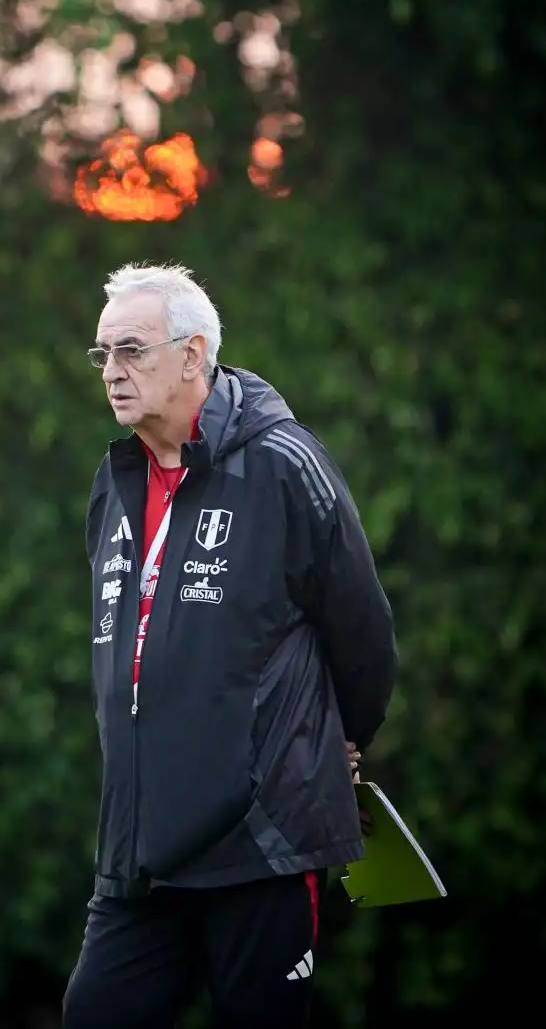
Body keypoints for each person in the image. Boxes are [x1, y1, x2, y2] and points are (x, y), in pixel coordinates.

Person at [62, 262, 400, 1029]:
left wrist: (347, 736)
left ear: (194, 354)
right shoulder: (112, 480)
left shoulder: (281, 463)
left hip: (263, 837)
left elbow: (364, 631)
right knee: (97, 1013)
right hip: (139, 843)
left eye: (133, 351)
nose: (113, 372)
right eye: (104, 354)